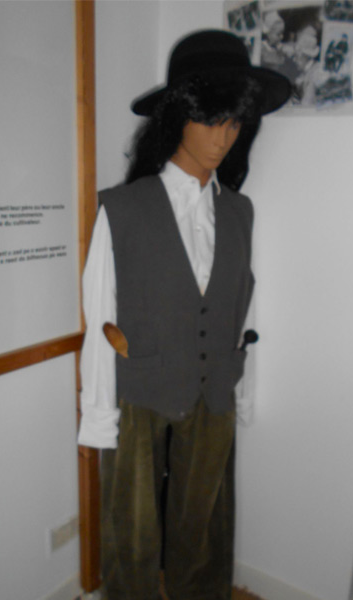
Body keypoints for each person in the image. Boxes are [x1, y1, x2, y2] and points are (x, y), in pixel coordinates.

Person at [77, 30, 290, 600]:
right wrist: (98, 417)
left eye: (234, 122)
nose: (223, 137)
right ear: (178, 116)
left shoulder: (240, 212)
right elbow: (100, 315)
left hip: (214, 386)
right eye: (210, 119)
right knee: (133, 528)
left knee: (205, 524)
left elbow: (244, 306)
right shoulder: (123, 208)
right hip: (140, 388)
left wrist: (244, 390)